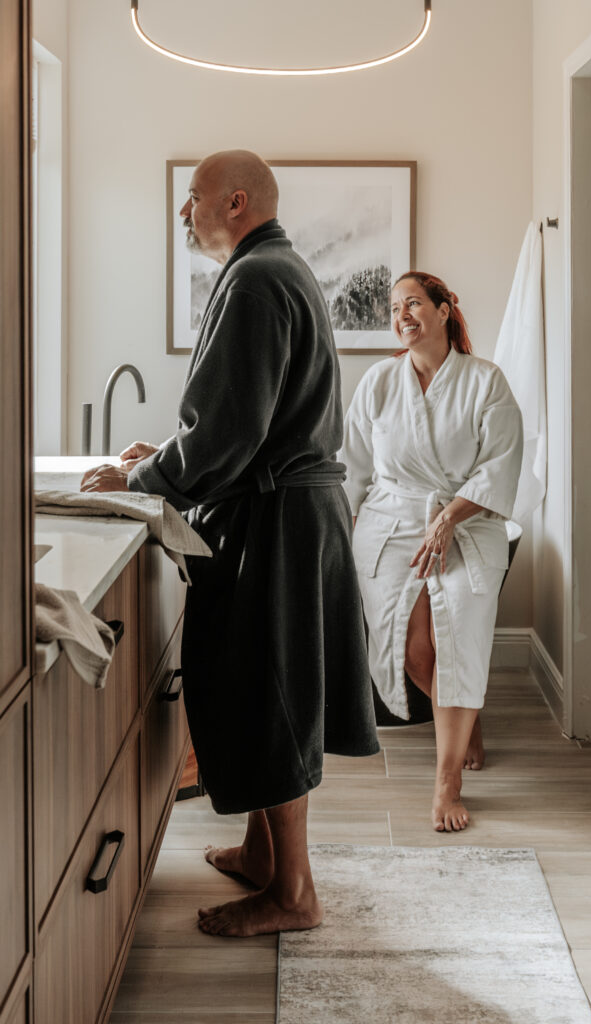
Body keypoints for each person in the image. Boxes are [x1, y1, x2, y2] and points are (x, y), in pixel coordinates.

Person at [81, 149, 379, 936]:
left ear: (235, 202)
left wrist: (143, 482)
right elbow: (242, 422)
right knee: (263, 687)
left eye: (193, 198)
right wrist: (167, 457)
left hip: (276, 520)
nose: (184, 212)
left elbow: (227, 430)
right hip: (292, 512)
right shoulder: (279, 267)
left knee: (267, 693)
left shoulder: (254, 279)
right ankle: (260, 854)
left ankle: (294, 895)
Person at [341, 271, 522, 832]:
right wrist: (335, 536)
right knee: (417, 649)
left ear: (445, 311)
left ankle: (447, 783)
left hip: (466, 522)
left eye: (414, 303)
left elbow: (500, 466)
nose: (403, 315)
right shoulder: (377, 382)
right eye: (395, 308)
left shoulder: (486, 381)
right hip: (390, 524)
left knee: (459, 632)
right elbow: (353, 469)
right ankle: (463, 715)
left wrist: (447, 517)